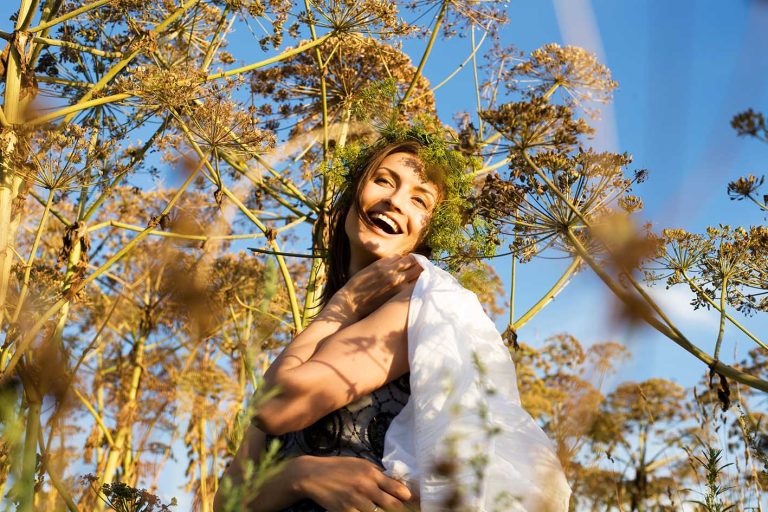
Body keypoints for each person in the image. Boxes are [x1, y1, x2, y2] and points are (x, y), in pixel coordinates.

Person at [215, 137, 444, 512]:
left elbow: (278, 407)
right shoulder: (316, 334)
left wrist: (343, 307)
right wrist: (298, 475)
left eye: (420, 200)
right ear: (353, 196)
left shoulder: (419, 309)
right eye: (384, 180)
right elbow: (227, 502)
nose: (396, 200)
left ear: (427, 233)